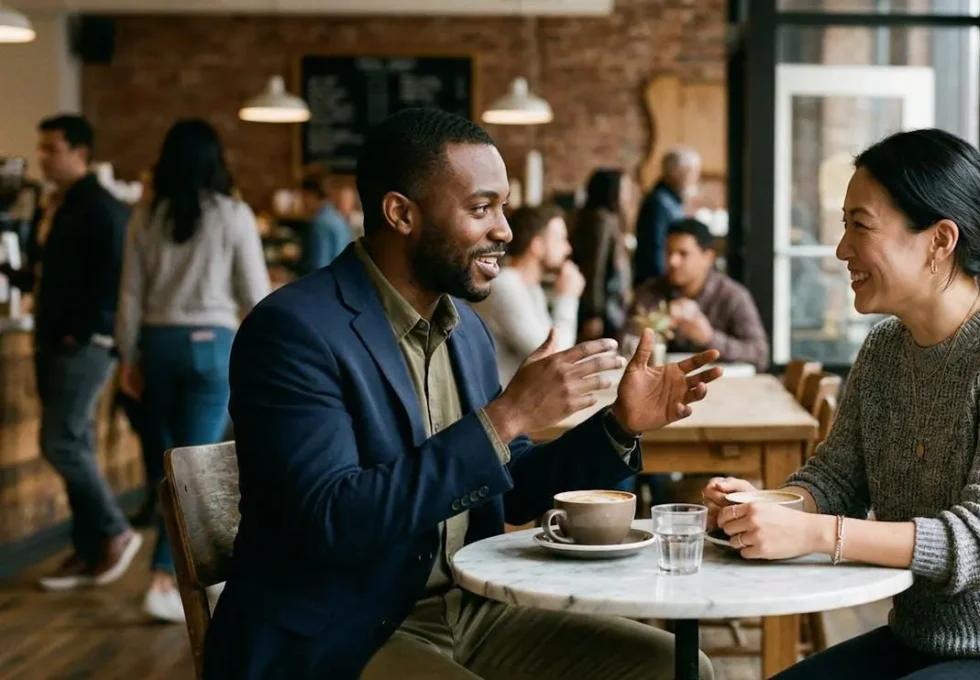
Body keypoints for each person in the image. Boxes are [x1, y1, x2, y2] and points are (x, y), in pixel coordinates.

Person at [203, 108, 720, 680]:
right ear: (401, 213)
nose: (504, 229)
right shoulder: (294, 330)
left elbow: (512, 489)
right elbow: (332, 519)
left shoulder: (463, 328)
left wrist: (619, 427)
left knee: (674, 668)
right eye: (481, 208)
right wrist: (507, 416)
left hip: (470, 610)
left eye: (502, 206)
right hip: (342, 630)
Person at [703, 129, 980, 679]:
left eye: (861, 225)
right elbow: (834, 482)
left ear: (939, 241)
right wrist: (765, 506)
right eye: (843, 225)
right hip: (924, 643)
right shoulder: (884, 349)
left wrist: (813, 534)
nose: (841, 249)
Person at [116, 119, 271, 623]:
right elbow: (256, 296)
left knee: (170, 465)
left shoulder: (147, 216)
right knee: (193, 467)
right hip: (212, 348)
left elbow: (130, 295)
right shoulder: (233, 214)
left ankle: (178, 576)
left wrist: (127, 357)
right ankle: (167, 578)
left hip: (158, 347)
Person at [0, 114, 141, 591]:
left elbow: (115, 278)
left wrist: (80, 331)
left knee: (58, 441)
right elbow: (45, 274)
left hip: (84, 344)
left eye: (52, 149)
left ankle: (115, 531)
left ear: (80, 152)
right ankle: (88, 550)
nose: (43, 157)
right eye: (40, 149)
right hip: (53, 337)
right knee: (73, 441)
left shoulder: (101, 207)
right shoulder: (52, 205)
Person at [632, 218, 768, 371]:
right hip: (659, 387)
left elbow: (760, 355)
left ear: (708, 257)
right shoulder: (649, 292)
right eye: (669, 252)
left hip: (721, 388)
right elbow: (624, 343)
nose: (673, 261)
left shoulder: (733, 296)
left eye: (683, 254)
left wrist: (709, 337)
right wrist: (658, 321)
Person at [471, 204, 583, 385]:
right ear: (537, 245)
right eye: (561, 239)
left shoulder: (530, 288)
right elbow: (554, 358)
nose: (568, 249)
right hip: (497, 405)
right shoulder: (505, 286)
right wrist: (567, 297)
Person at [571, 168, 635, 341]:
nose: (628, 196)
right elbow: (594, 268)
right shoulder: (601, 220)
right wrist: (594, 313)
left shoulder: (610, 219)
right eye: (625, 190)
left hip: (610, 306)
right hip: (602, 309)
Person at [633, 147, 699, 285]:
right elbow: (655, 248)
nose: (694, 179)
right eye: (691, 173)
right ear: (676, 172)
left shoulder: (672, 201)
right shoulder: (659, 202)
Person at [301, 176, 354, 272]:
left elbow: (321, 263)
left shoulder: (321, 221)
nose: (302, 202)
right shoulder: (336, 216)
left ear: (311, 195)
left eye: (303, 197)